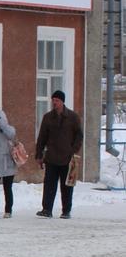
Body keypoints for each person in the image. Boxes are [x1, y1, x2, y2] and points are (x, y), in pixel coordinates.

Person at [35, 90, 83, 219]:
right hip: (51, 157)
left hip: (67, 158)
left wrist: (73, 151)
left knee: (66, 185)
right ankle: (47, 209)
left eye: (57, 100)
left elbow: (79, 135)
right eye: (53, 100)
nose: (54, 103)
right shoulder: (48, 117)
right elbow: (42, 137)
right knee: (49, 184)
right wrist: (39, 155)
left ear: (62, 101)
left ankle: (66, 210)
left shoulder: (72, 117)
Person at [0, 110, 17, 218]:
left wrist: (3, 125)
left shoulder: (9, 132)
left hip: (8, 163)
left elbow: (11, 135)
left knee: (7, 188)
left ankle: (8, 210)